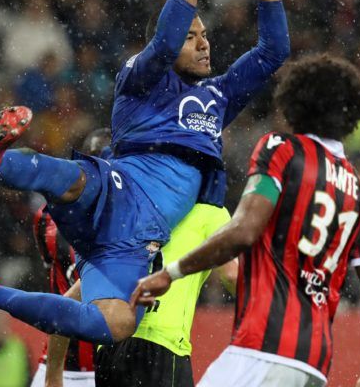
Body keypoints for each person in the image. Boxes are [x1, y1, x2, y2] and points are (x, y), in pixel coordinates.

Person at [0, 0, 289, 352]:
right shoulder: (141, 79)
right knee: (77, 179)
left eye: (205, 36)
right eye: (191, 37)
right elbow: (164, 42)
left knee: (116, 324)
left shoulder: (217, 97)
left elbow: (273, 51)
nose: (203, 43)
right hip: (124, 183)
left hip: (136, 240)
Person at [132, 55, 360, 387]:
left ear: (294, 102)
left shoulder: (282, 150)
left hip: (262, 349)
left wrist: (171, 273)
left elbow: (244, 231)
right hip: (313, 364)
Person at [37, 128, 238, 387]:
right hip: (162, 347)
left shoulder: (127, 210)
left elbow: (67, 303)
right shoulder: (211, 213)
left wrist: (53, 376)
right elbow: (234, 277)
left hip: (111, 350)